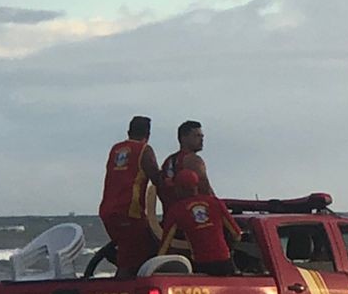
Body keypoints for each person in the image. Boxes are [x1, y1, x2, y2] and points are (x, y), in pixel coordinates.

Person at [98, 115, 162, 277]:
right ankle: (123, 293)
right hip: (129, 212)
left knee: (130, 252)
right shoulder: (144, 150)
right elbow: (157, 179)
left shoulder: (116, 149)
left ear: (128, 131)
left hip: (107, 211)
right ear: (148, 134)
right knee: (134, 258)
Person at [159, 169, 241, 276]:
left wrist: (155, 267)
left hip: (201, 265)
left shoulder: (176, 210)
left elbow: (165, 245)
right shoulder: (215, 203)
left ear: (180, 189)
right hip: (225, 262)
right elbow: (237, 234)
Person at [160, 120, 215, 216]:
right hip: (192, 216)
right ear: (183, 138)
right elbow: (205, 189)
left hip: (171, 215)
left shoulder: (168, 161)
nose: (201, 140)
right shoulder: (193, 160)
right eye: (197, 136)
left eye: (202, 136)